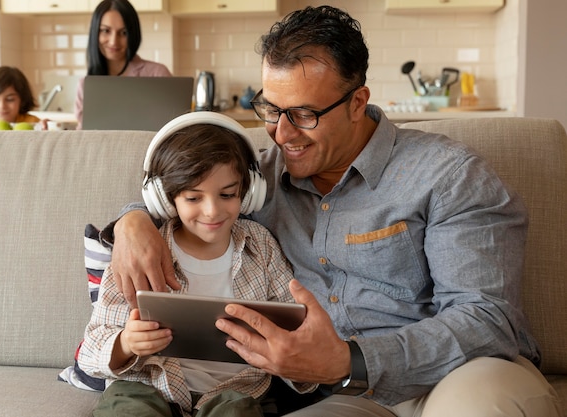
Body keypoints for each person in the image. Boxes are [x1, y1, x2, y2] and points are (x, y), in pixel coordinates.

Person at [101, 6, 562, 417]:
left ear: (357, 103)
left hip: (459, 376)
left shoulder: (449, 175)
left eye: (304, 114)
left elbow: (485, 318)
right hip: (343, 397)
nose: (282, 134)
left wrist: (349, 358)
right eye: (270, 109)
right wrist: (132, 220)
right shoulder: (257, 179)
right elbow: (188, 190)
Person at [77, 111, 317, 417]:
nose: (212, 210)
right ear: (165, 199)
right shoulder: (142, 252)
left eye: (227, 194)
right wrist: (126, 342)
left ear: (248, 192)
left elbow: (294, 327)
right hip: (147, 385)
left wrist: (287, 351)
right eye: (193, 198)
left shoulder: (261, 246)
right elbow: (91, 347)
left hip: (236, 392)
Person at [75, 0, 172, 129]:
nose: (114, 42)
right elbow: (84, 137)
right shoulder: (85, 85)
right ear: (95, 33)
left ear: (133, 35)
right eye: (106, 31)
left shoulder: (158, 74)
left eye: (123, 33)